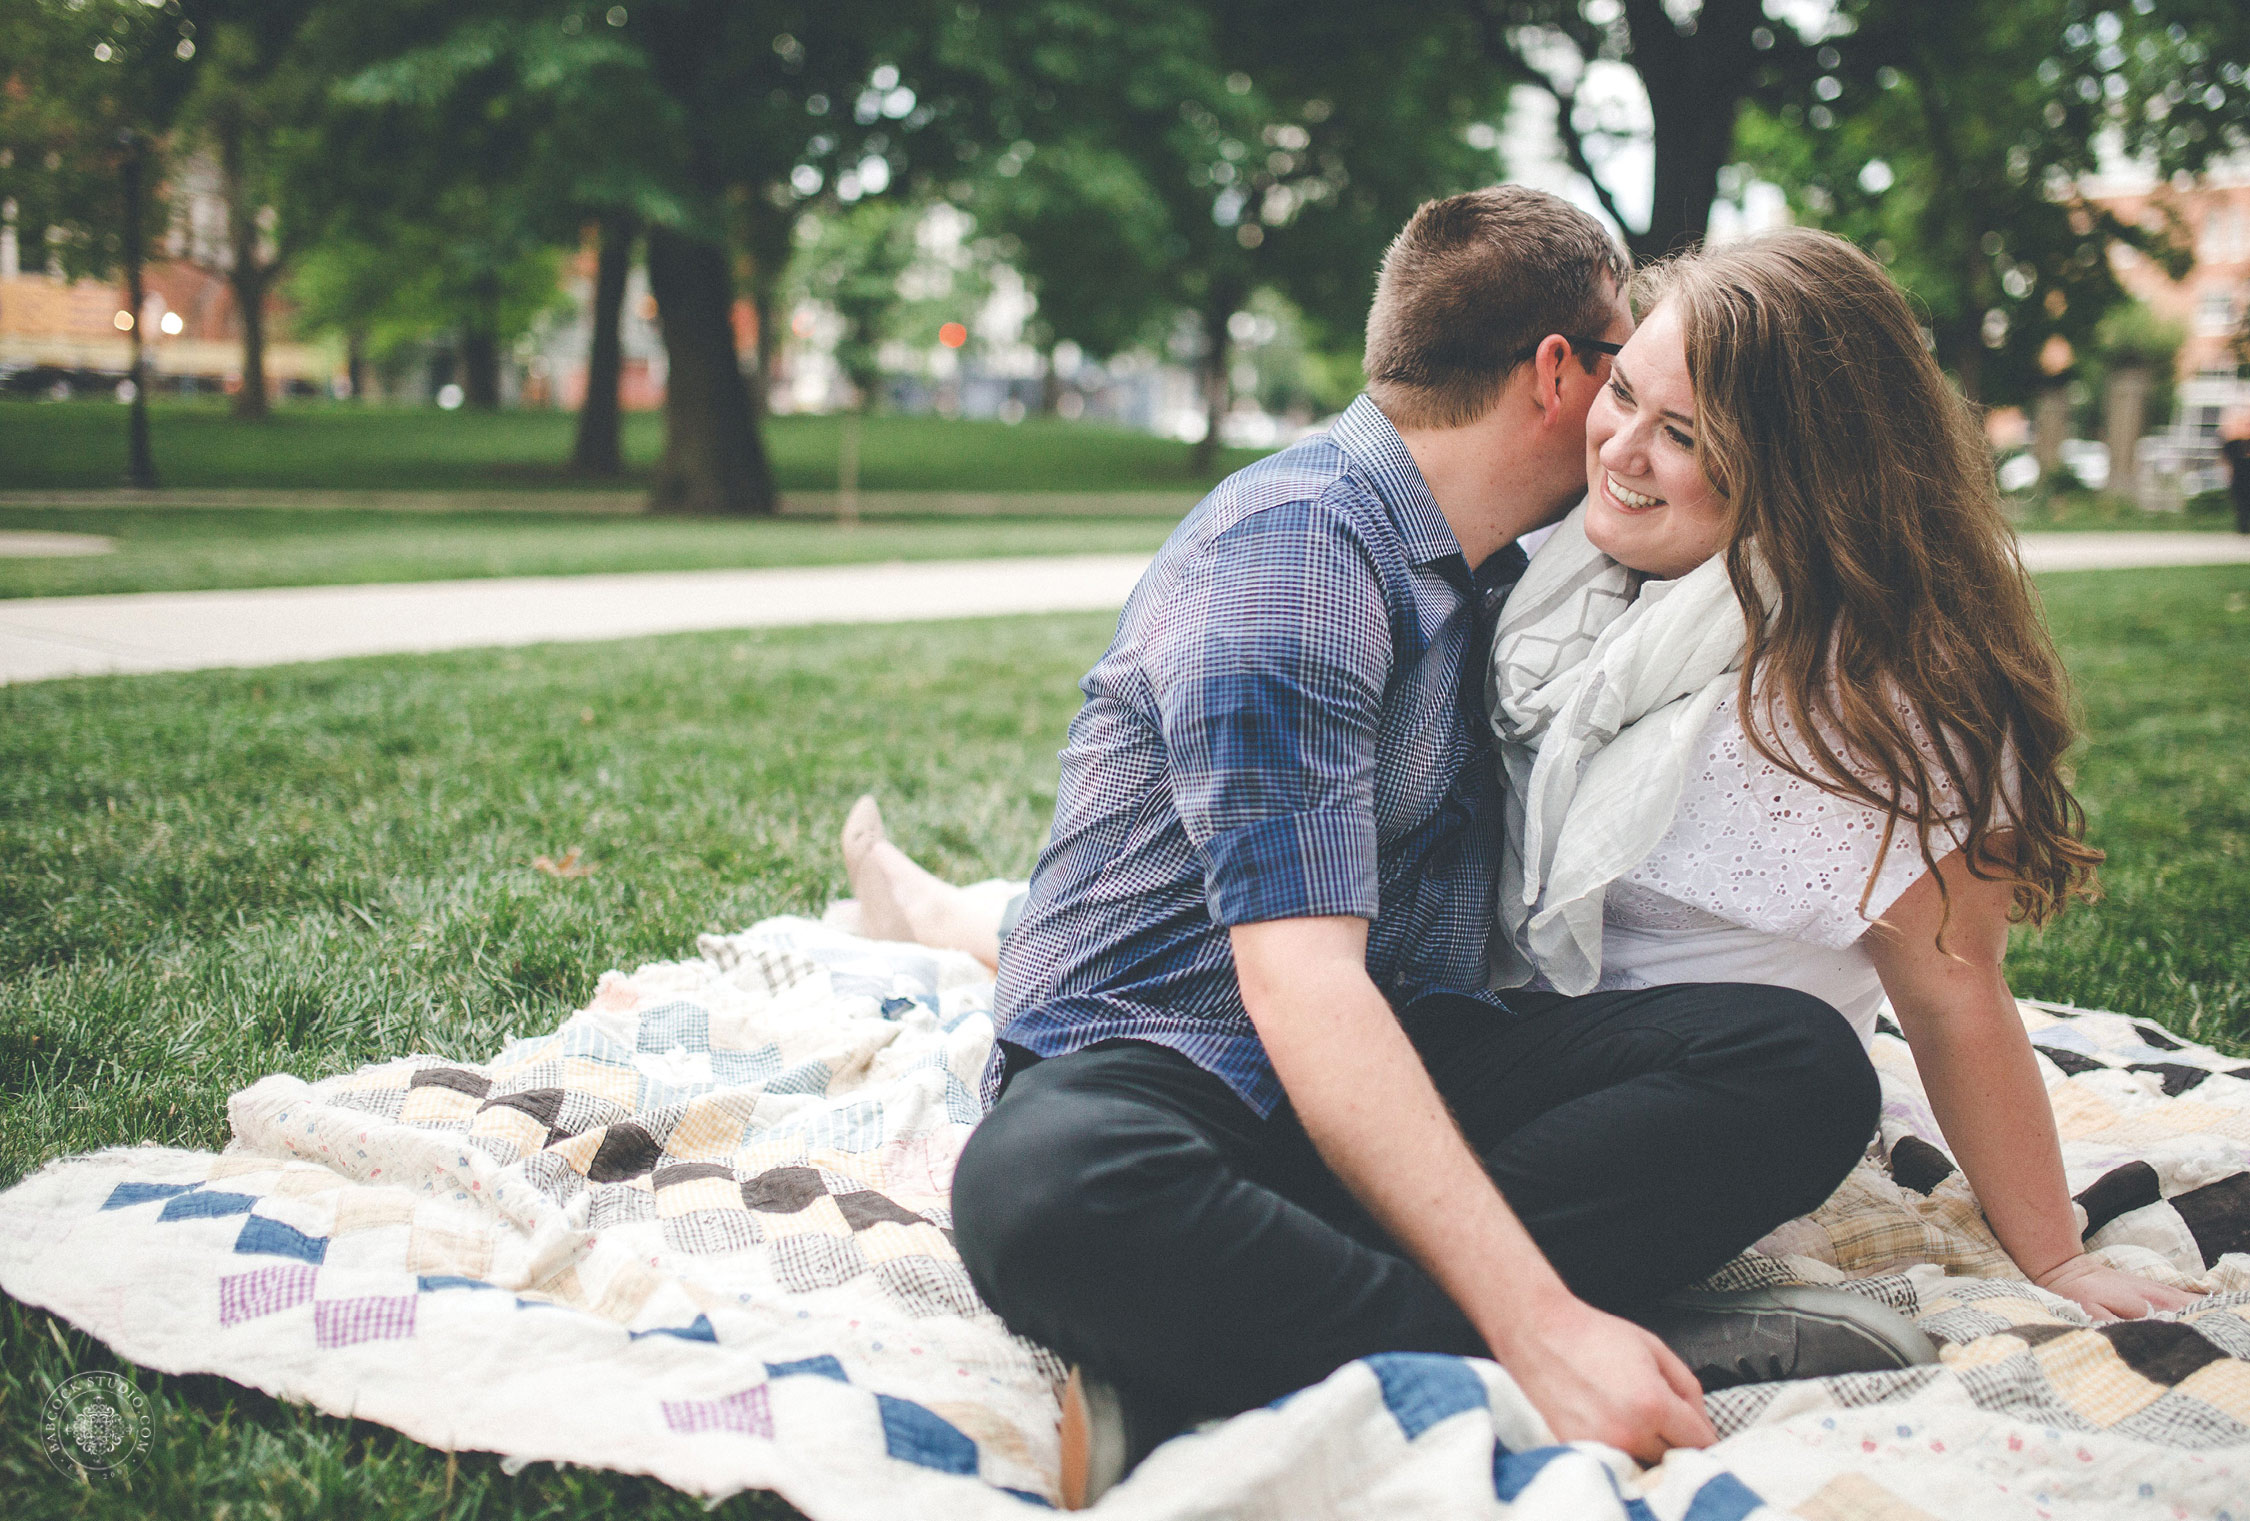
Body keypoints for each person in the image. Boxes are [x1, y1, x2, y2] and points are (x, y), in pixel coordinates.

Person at [919, 188, 1918, 1509]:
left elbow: (1747, 496)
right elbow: (1297, 985)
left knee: (1795, 1064)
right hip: (1177, 1069)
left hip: (1411, 1055)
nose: (1633, 421)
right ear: (1557, 371)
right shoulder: (1296, 552)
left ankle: (1228, 1351)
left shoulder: (1515, 561)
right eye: (1624, 369)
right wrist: (1538, 1321)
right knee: (1047, 1195)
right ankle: (1560, 1344)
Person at [1481, 227, 2197, 1332]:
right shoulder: (1558, 586)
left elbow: (1956, 995)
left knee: (1803, 1074)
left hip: (1696, 1102)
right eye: (1622, 393)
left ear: (1804, 475)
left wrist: (2054, 1260)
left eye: (1682, 435)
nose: (1620, 447)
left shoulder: (1871, 701)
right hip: (1513, 1047)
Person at [2220, 408, 2250, 536]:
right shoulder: (2233, 444)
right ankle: (2243, 527)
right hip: (2239, 477)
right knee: (2240, 502)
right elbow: (2226, 460)